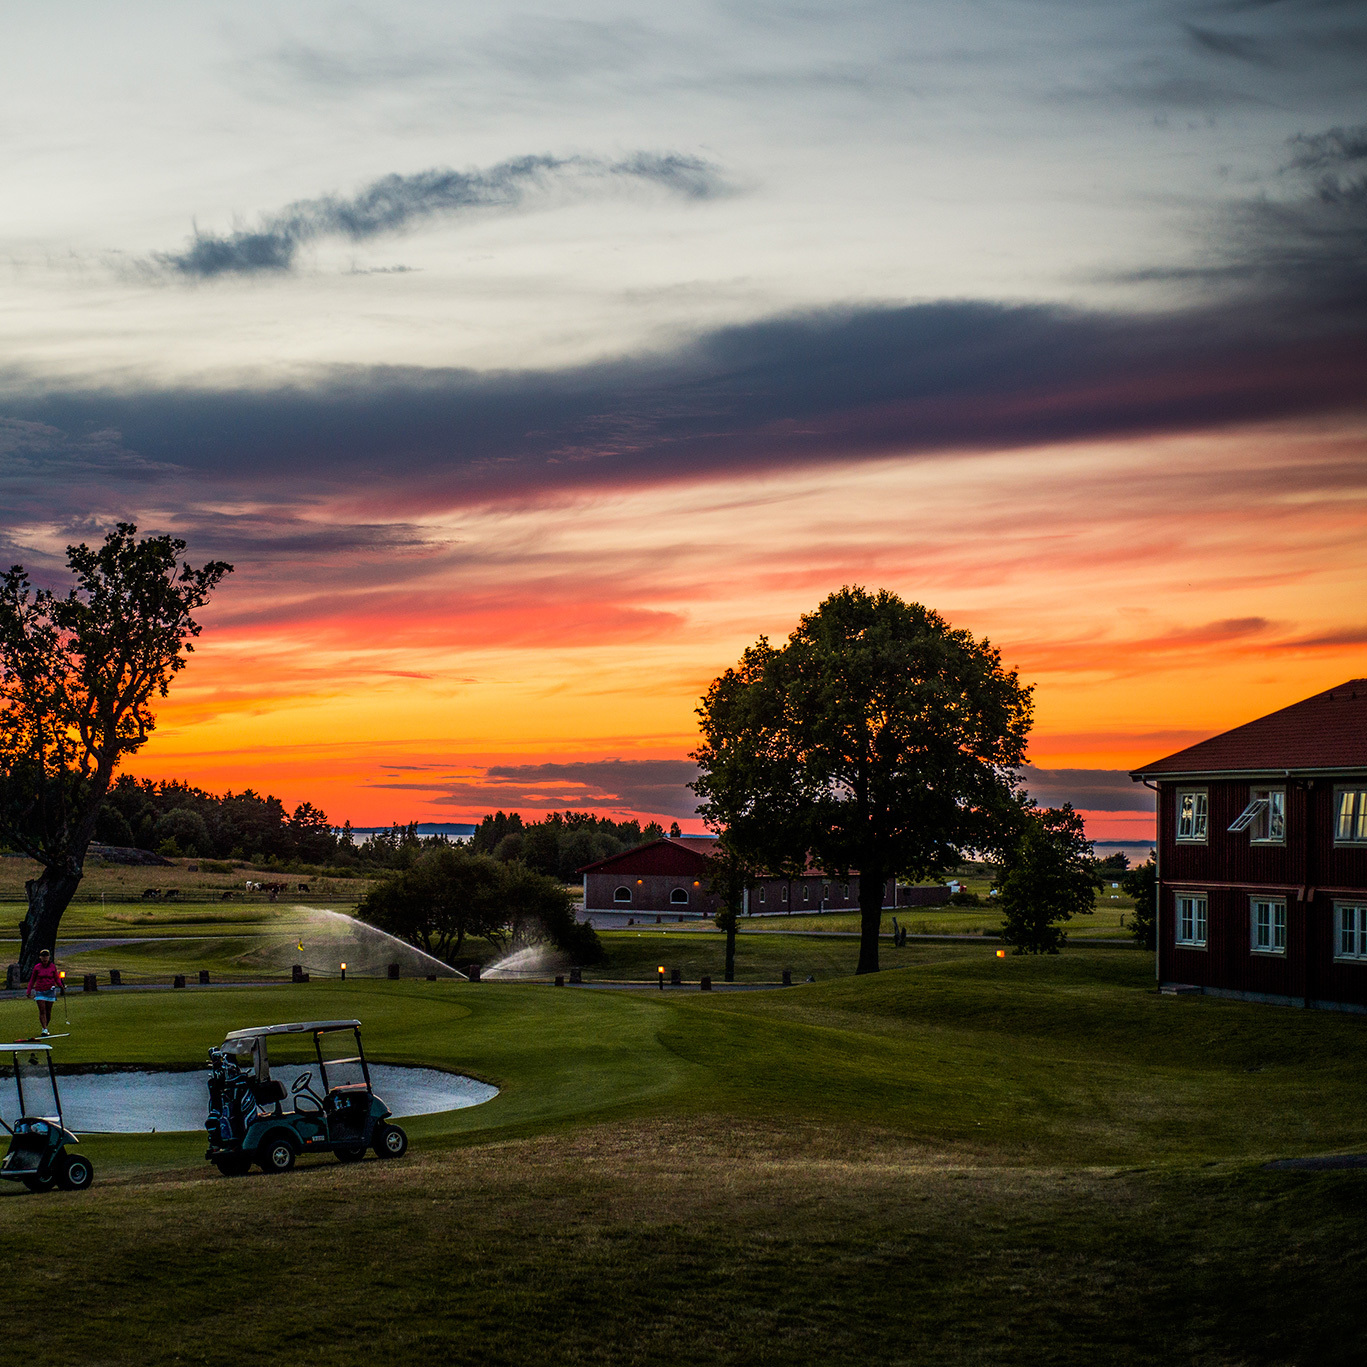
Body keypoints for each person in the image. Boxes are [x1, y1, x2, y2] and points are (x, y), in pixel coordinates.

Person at [25, 949, 64, 1036]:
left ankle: (45, 1026)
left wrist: (61, 986)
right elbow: (32, 980)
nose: (45, 958)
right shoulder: (37, 967)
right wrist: (29, 991)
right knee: (42, 1010)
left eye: (46, 957)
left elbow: (56, 978)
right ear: (40, 957)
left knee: (48, 1011)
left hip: (50, 991)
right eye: (43, 957)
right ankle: (44, 1029)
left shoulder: (52, 967)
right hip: (40, 991)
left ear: (49, 957)